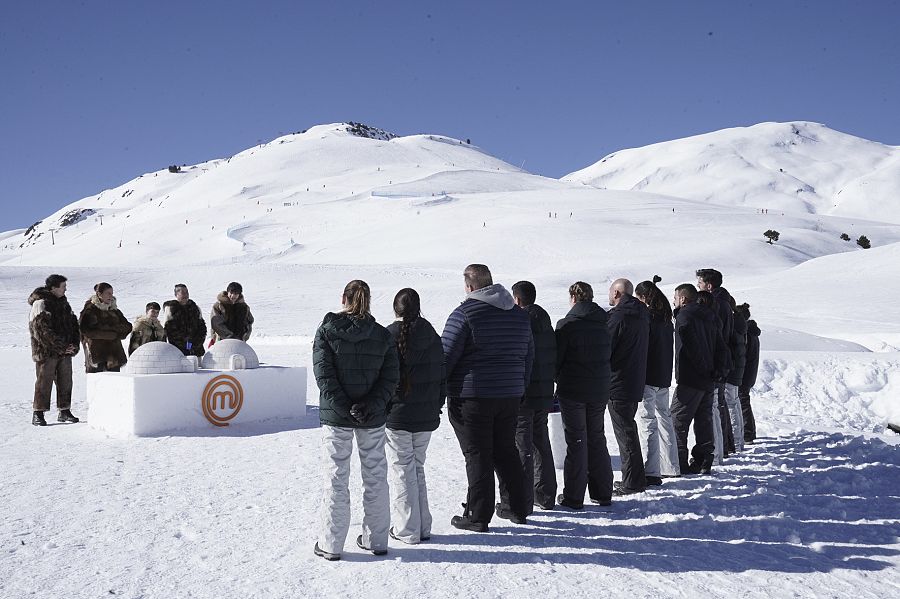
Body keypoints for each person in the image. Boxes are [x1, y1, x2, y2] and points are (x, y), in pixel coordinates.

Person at [441, 264, 534, 532]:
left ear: (470, 286)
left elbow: (446, 357)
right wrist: (519, 386)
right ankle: (517, 506)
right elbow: (529, 356)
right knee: (506, 450)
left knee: (477, 453)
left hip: (473, 396)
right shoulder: (518, 315)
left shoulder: (465, 314)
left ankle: (478, 515)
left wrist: (441, 387)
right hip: (510, 394)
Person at [312, 280, 399, 561]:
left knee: (336, 478)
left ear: (343, 298)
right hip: (371, 418)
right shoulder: (382, 336)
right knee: (375, 477)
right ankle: (377, 539)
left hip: (337, 419)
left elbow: (324, 377)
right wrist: (369, 405)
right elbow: (390, 379)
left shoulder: (326, 331)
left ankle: (331, 543)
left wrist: (345, 407)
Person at [384, 288, 444, 545]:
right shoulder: (432, 335)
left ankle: (407, 528)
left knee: (402, 471)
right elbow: (443, 374)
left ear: (395, 309)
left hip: (398, 416)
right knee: (416, 467)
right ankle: (423, 525)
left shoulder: (388, 335)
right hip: (426, 415)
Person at [555, 282, 613, 509]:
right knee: (597, 438)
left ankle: (574, 495)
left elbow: (557, 359)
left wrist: (558, 377)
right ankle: (602, 492)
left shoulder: (567, 325)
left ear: (573, 298)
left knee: (577, 441)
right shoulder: (605, 322)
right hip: (599, 389)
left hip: (573, 390)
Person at [505, 280, 557, 512]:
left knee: (521, 446)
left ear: (516, 299)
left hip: (525, 393)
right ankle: (545, 495)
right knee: (541, 443)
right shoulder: (545, 320)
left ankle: (523, 498)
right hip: (544, 391)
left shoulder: (520, 321)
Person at [670, 284, 729, 474]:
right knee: (704, 420)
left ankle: (679, 461)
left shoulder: (685, 316)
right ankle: (704, 460)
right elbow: (721, 347)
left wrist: (704, 368)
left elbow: (691, 347)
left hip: (691, 377)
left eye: (675, 297)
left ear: (683, 299)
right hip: (709, 377)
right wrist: (716, 370)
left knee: (678, 420)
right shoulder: (711, 316)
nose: (673, 301)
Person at [634, 278, 680, 483]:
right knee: (664, 419)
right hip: (663, 376)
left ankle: (649, 469)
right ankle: (670, 465)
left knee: (647, 422)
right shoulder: (666, 319)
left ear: (643, 297)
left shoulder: (647, 319)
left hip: (648, 376)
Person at [607, 278, 650, 494]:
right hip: (634, 379)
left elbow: (607, 348)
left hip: (618, 381)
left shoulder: (618, 316)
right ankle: (634, 477)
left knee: (625, 433)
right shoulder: (642, 314)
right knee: (629, 430)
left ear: (616, 293)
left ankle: (632, 481)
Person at [28, 274, 81, 426]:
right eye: (63, 286)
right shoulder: (41, 304)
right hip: (46, 351)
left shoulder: (64, 304)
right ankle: (38, 413)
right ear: (53, 288)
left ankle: (64, 411)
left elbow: (73, 325)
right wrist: (62, 346)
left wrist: (73, 345)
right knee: (44, 382)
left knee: (66, 381)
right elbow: (42, 331)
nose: (66, 289)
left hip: (65, 351)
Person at [696, 268, 734, 464]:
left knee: (714, 407)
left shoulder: (716, 305)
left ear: (709, 286)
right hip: (721, 360)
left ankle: (719, 451)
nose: (698, 288)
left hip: (715, 362)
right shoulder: (725, 303)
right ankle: (724, 447)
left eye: (700, 284)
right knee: (719, 404)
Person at [79, 282, 132, 373]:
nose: (111, 296)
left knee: (113, 384)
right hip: (96, 354)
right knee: (96, 383)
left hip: (114, 356)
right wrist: (111, 334)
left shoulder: (114, 310)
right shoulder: (90, 310)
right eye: (108, 293)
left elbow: (128, 327)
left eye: (112, 293)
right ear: (99, 294)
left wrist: (113, 332)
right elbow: (86, 330)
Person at [725, 296, 748, 452]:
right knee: (735, 403)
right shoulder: (740, 323)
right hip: (738, 370)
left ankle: (735, 440)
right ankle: (738, 441)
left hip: (731, 369)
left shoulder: (731, 324)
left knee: (731, 406)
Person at [162, 284, 207, 357]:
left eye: (187, 292)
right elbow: (168, 329)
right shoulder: (171, 309)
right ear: (176, 294)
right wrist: (184, 343)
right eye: (183, 293)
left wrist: (197, 342)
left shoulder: (195, 308)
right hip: (178, 348)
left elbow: (202, 327)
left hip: (196, 348)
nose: (186, 295)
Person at [738, 303, 761, 444]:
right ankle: (749, 431)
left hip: (744, 373)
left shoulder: (747, 334)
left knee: (743, 401)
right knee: (744, 400)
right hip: (749, 372)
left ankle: (748, 433)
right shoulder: (752, 332)